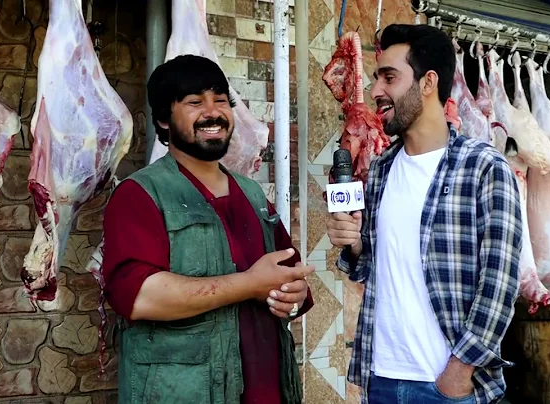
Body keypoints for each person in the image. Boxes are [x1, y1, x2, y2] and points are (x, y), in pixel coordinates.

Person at [326, 24, 523, 404]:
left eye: (389, 77)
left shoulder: (483, 167)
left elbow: (500, 283)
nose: (375, 91)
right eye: (375, 79)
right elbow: (369, 267)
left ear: (428, 82)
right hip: (381, 376)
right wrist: (352, 246)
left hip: (446, 386)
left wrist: (459, 371)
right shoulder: (382, 168)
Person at [102, 54, 314, 404]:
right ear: (163, 121)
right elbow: (139, 297)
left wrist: (293, 295)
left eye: (221, 100)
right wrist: (249, 284)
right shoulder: (140, 194)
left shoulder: (253, 193)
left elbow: (288, 276)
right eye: (194, 102)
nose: (213, 112)